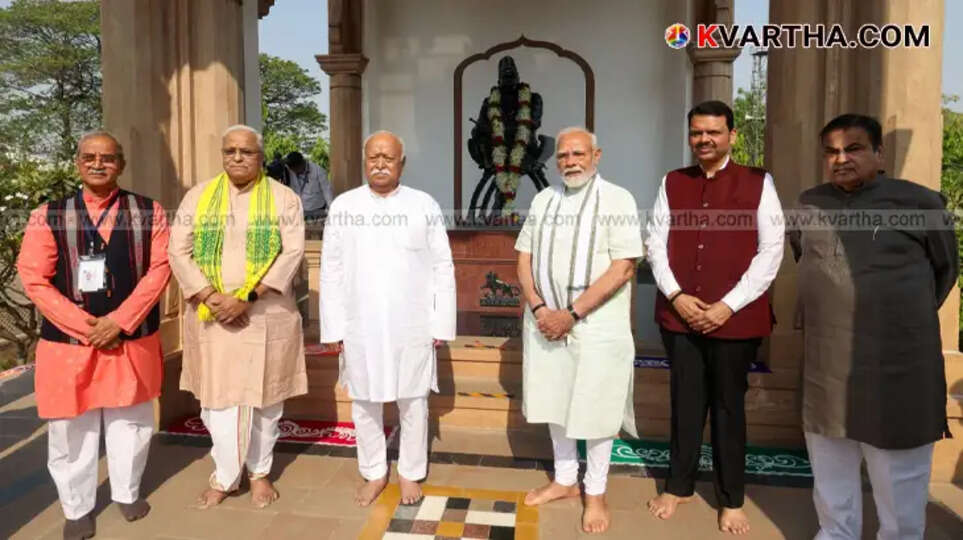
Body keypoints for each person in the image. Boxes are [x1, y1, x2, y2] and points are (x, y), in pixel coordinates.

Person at [790, 114, 958, 540]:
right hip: (827, 364)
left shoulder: (921, 203)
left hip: (897, 366)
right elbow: (804, 259)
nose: (840, 159)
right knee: (831, 469)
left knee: (897, 478)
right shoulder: (809, 204)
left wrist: (892, 315)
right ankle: (836, 533)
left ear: (880, 154)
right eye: (831, 151)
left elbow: (945, 271)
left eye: (854, 148)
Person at [17, 131, 171, 540]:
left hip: (128, 338)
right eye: (89, 157)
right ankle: (76, 507)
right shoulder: (47, 215)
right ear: (77, 163)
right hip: (70, 345)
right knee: (72, 429)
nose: (98, 163)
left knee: (132, 422)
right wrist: (87, 327)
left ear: (121, 163)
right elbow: (34, 278)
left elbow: (159, 270)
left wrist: (119, 322)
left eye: (107, 157)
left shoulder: (148, 211)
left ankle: (126, 491)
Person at [644, 100, 785, 535]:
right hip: (680, 316)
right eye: (697, 133)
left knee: (728, 407)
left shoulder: (758, 182)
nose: (704, 140)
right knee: (685, 404)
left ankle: (731, 498)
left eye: (714, 132)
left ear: (732, 135)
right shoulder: (673, 182)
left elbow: (771, 250)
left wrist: (728, 304)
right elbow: (655, 241)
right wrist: (677, 295)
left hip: (735, 320)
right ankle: (678, 486)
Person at [168, 124, 307, 510]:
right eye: (230, 151)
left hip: (265, 314)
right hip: (211, 315)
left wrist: (247, 296)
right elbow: (178, 250)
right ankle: (226, 475)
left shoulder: (283, 198)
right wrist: (212, 295)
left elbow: (292, 252)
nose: (237, 158)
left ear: (260, 157)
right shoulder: (198, 196)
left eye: (246, 151)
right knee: (216, 399)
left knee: (266, 397)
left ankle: (259, 472)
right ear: (222, 155)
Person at [515, 126, 643, 534]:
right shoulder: (544, 199)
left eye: (578, 154)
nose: (570, 162)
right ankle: (565, 480)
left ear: (596, 155)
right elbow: (523, 257)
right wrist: (539, 307)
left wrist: (570, 314)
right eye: (563, 156)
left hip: (596, 325)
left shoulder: (618, 198)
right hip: (544, 322)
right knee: (555, 402)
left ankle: (596, 491)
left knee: (597, 409)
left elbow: (623, 266)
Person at [319, 130, 456, 507]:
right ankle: (375, 471)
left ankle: (410, 473)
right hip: (360, 322)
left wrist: (440, 323)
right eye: (373, 157)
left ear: (402, 164)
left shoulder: (424, 204)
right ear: (365, 161)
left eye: (388, 158)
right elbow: (330, 269)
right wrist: (332, 326)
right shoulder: (344, 206)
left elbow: (443, 266)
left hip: (412, 321)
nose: (380, 164)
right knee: (364, 401)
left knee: (414, 401)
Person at [284, 151, 333, 223]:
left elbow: (327, 192)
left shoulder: (318, 171)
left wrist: (332, 211)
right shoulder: (290, 172)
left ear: (301, 164)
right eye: (292, 169)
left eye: (295, 169)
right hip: (299, 211)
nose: (294, 172)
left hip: (317, 212)